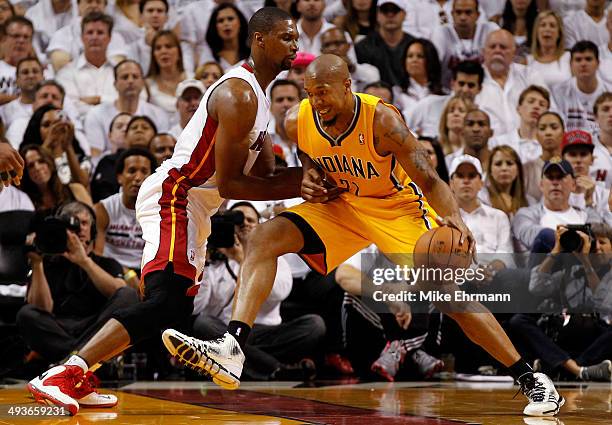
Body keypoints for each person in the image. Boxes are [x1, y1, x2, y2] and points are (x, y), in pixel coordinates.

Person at [163, 54, 565, 417]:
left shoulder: (383, 121)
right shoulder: (297, 120)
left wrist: (454, 218)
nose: (317, 101)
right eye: (311, 93)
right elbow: (308, 159)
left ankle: (531, 379)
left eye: (324, 93)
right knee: (265, 236)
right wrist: (313, 177)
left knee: (450, 298)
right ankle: (233, 347)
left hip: (395, 210)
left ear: (347, 86)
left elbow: (429, 178)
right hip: (341, 206)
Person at [28, 7, 301, 416]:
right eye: (286, 37)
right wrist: (309, 182)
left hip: (197, 207)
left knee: (170, 306)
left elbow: (265, 172)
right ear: (259, 39)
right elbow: (234, 186)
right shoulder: (240, 93)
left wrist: (302, 169)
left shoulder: (259, 100)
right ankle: (63, 373)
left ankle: (78, 373)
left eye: (296, 39)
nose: (294, 46)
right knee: (166, 304)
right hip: (177, 195)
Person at [192, 202, 325, 381]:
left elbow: (279, 293)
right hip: (224, 332)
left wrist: (242, 260)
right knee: (202, 324)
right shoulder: (214, 264)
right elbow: (197, 307)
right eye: (239, 220)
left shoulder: (274, 258)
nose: (245, 224)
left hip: (266, 334)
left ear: (261, 225)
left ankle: (239, 362)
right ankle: (276, 369)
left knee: (314, 325)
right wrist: (204, 262)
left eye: (250, 220)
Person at [17, 201, 139, 367]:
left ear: (92, 230)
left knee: (129, 294)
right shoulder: (48, 263)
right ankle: (80, 359)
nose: (80, 229)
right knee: (26, 314)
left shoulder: (107, 263)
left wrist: (84, 261)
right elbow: (41, 309)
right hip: (58, 329)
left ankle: (71, 360)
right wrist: (37, 264)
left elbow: (121, 294)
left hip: (96, 328)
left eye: (84, 223)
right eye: (72, 224)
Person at [94, 148, 157, 285]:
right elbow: (97, 255)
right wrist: (126, 274)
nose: (138, 178)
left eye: (144, 172)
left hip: (147, 272)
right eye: (132, 171)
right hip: (112, 270)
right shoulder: (103, 208)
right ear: (119, 177)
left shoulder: (159, 210)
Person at [553, 40, 611, 135]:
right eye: (578, 60)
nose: (583, 64)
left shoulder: (609, 91)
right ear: (571, 65)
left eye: (588, 59)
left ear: (598, 63)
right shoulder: (558, 93)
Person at [489, 85, 550, 164]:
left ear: (547, 113)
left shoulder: (549, 146)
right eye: (531, 101)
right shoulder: (498, 142)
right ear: (518, 108)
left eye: (542, 104)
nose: (536, 106)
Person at [526, 10, 571, 89]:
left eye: (552, 26)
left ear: (559, 33)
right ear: (536, 32)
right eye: (543, 25)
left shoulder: (569, 58)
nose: (547, 29)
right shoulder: (527, 62)